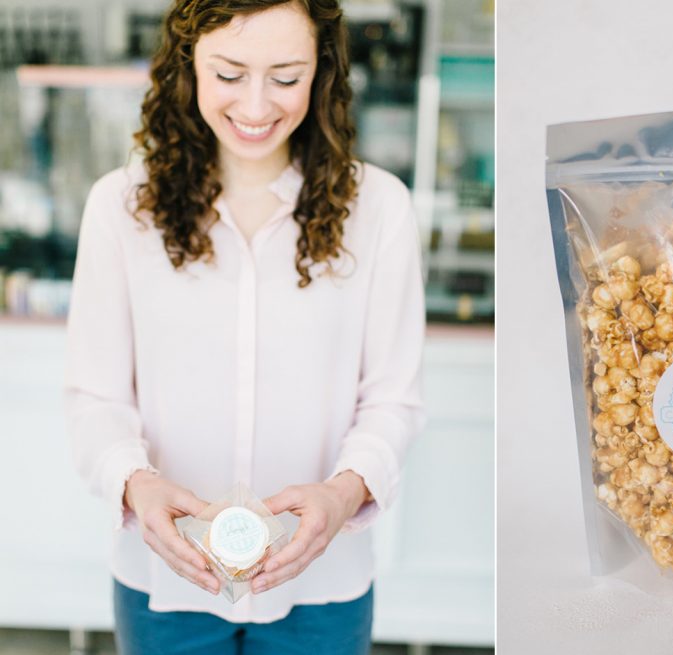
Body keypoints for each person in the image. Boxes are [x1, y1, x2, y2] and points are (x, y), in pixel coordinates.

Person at [63, 1, 424, 653]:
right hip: (165, 584)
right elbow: (96, 397)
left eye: (286, 77)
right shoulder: (120, 209)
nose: (257, 107)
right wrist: (135, 485)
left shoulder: (381, 210)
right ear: (187, 66)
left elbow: (393, 399)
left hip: (322, 588)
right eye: (229, 74)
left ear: (323, 73)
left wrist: (344, 495)